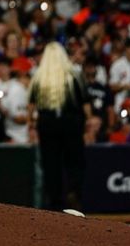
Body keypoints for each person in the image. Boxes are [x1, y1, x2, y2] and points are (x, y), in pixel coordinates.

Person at [28, 42, 89, 211]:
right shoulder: (73, 76)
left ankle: (55, 202)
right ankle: (73, 192)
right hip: (71, 122)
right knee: (75, 161)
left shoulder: (39, 77)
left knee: (51, 164)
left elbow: (31, 106)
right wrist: (88, 122)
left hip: (47, 122)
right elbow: (85, 104)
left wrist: (31, 124)